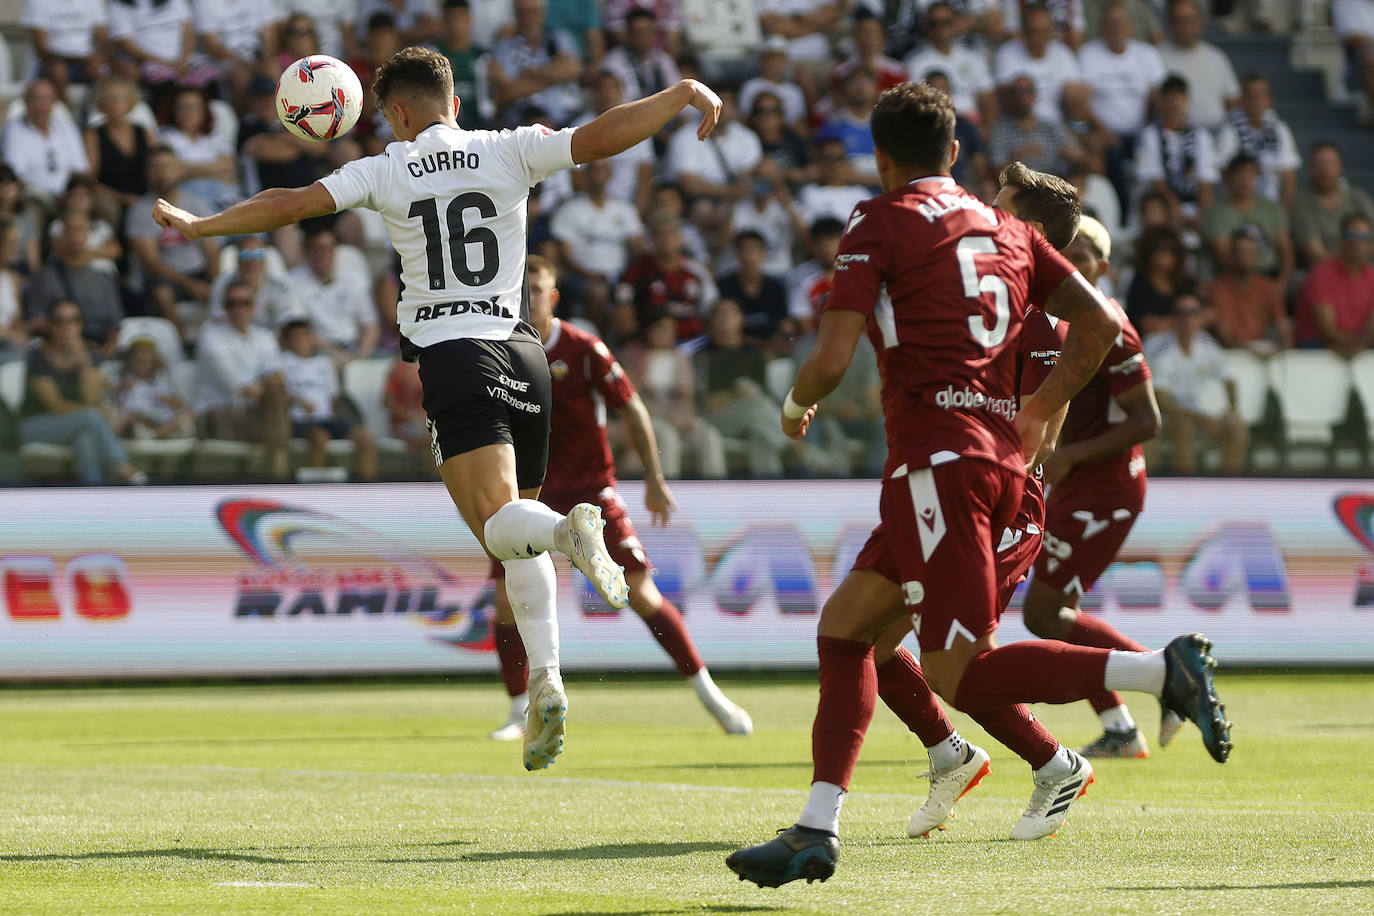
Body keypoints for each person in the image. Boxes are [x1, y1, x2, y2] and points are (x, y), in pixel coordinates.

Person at [152, 45, 724, 772]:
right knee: (515, 535)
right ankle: (547, 679)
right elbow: (601, 134)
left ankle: (569, 533)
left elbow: (290, 205)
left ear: (393, 113)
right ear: (455, 103)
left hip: (455, 356)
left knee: (503, 529)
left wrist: (204, 228)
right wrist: (677, 92)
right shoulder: (509, 149)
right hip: (525, 355)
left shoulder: (384, 168)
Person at [725, 84, 1230, 889]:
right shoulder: (1008, 237)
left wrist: (797, 407)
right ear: (956, 153)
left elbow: (829, 358)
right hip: (976, 469)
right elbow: (1100, 322)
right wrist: (1035, 409)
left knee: (959, 673)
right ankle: (819, 824)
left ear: (881, 157)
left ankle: (1152, 675)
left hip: (944, 468)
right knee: (846, 629)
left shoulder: (882, 220)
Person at [486, 257, 751, 739]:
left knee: (642, 593)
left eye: (539, 289)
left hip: (591, 494)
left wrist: (653, 478)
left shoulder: (585, 350)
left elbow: (633, 409)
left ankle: (711, 696)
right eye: (522, 289)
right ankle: (517, 709)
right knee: (506, 602)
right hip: (529, 493)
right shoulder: (500, 352)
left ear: (554, 296)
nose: (530, 297)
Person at [1020, 216, 1165, 759]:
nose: (1071, 267)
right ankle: (1122, 728)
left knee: (1042, 614)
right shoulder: (1049, 321)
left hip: (1104, 489)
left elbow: (1147, 421)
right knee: (1060, 616)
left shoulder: (1109, 325)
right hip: (1074, 484)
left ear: (1101, 269)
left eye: (1083, 259)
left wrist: (1068, 455)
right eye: (1064, 257)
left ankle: (1168, 673)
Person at [19, 300, 146, 486]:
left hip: (78, 424)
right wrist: (99, 413)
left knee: (85, 437)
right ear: (49, 325)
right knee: (90, 418)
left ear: (80, 325)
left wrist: (85, 365)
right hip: (34, 425)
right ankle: (121, 465)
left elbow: (90, 399)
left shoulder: (89, 354)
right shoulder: (38, 357)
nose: (66, 327)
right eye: (59, 321)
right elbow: (56, 406)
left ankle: (92, 490)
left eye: (72, 321)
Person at [192, 280, 291, 477]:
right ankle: (281, 477)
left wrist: (266, 387)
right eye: (232, 303)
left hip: (255, 414)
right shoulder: (211, 334)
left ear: (254, 307)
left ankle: (278, 467)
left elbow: (279, 377)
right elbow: (238, 387)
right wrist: (267, 386)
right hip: (219, 413)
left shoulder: (264, 335)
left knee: (276, 399)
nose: (239, 309)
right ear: (223, 307)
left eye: (245, 303)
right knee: (279, 416)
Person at [1145, 294, 1248, 474]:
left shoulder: (1207, 343)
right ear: (1173, 318)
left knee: (1237, 427)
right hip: (1162, 415)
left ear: (1201, 317)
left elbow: (1228, 378)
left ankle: (1230, 488)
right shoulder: (1159, 347)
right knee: (1185, 427)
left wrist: (1232, 408)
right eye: (1181, 313)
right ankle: (1186, 491)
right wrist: (1202, 418)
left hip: (1196, 411)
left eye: (1192, 313)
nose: (1187, 319)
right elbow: (1163, 402)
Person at [127, 146, 220, 335]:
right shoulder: (140, 210)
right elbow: (150, 262)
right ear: (148, 173)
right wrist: (189, 284)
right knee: (163, 295)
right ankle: (182, 344)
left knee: (227, 290)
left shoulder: (197, 203)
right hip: (166, 276)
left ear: (178, 169)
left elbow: (212, 250)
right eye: (156, 167)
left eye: (167, 166)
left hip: (199, 270)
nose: (162, 173)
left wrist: (216, 283)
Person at [279, 319, 379, 481]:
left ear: (313, 339)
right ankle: (317, 490)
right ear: (286, 341)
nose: (301, 342)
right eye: (296, 337)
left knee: (364, 437)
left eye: (305, 336)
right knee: (319, 437)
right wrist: (298, 401)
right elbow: (278, 393)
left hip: (326, 418)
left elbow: (334, 396)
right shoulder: (281, 362)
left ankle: (368, 487)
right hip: (299, 420)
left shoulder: (324, 363)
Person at [27, 211, 124, 357]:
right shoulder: (46, 276)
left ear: (88, 234)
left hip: (101, 345)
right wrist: (76, 341)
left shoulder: (103, 275)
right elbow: (37, 320)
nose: (75, 236)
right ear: (60, 236)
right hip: (61, 348)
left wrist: (110, 346)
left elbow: (115, 322)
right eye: (70, 230)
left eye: (80, 229)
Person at [613, 212, 718, 344]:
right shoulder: (636, 270)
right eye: (659, 234)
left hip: (694, 342)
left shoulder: (697, 270)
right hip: (649, 345)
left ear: (680, 237)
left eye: (671, 233)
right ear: (650, 239)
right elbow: (623, 312)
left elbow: (711, 308)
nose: (666, 239)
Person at [1135, 75, 1219, 230]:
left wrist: (1201, 215)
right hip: (1163, 204)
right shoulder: (1150, 135)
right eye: (1170, 98)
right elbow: (1154, 179)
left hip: (1193, 204)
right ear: (1161, 101)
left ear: (1187, 100)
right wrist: (1175, 207)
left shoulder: (1201, 136)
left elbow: (1206, 181)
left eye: (1179, 98)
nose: (1175, 104)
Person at [1203, 153, 1294, 292]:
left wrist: (1282, 283)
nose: (1245, 180)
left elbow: (1286, 250)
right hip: (1234, 279)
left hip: (1270, 275)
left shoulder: (1272, 208)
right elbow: (1223, 254)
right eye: (1239, 174)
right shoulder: (1217, 212)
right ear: (1228, 178)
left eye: (1250, 174)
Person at [288, 227, 380, 363]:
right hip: (318, 352)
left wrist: (361, 355)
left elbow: (370, 325)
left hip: (356, 348)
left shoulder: (354, 277)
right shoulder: (293, 281)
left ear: (335, 249)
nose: (321, 254)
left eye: (326, 248)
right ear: (305, 252)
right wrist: (339, 354)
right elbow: (299, 333)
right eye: (315, 249)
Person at [488, 0, 584, 126]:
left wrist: (531, 73)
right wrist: (556, 75)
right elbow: (508, 92)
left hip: (564, 121)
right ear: (516, 16)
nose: (529, 18)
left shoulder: (559, 39)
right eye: (523, 13)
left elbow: (574, 69)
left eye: (534, 12)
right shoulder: (503, 48)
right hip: (522, 126)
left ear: (543, 13)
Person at [1215, 74, 1300, 210]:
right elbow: (1224, 173)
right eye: (1251, 95)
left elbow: (1289, 176)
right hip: (1238, 204)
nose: (1256, 100)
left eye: (1261, 95)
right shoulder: (1229, 129)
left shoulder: (1280, 128)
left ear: (1269, 100)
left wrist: (1281, 215)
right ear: (1241, 99)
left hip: (1273, 203)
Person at [1294, 213, 1374, 357]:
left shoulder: (1372, 276)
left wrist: (1364, 346)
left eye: (1363, 236)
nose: (1356, 241)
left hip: (1357, 348)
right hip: (1317, 348)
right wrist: (1361, 347)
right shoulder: (1322, 272)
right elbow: (1328, 331)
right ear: (1341, 239)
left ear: (1371, 244)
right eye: (1350, 234)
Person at [904, 1, 996, 124]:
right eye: (934, 23)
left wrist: (986, 129)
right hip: (935, 124)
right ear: (926, 28)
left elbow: (988, 100)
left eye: (946, 22)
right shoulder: (915, 63)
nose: (941, 28)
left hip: (972, 125)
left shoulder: (973, 57)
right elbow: (913, 106)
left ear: (955, 24)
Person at [992, 3, 1084, 125]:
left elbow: (1078, 95)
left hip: (1059, 125)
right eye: (1033, 32)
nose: (1039, 38)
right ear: (1023, 32)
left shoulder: (1062, 52)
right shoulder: (1007, 53)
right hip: (1021, 125)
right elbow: (1005, 97)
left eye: (1044, 31)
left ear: (1052, 31)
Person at [1, 78, 91, 203]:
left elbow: (80, 170)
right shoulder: (14, 130)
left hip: (69, 195)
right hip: (34, 196)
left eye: (47, 98)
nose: (41, 105)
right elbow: (15, 176)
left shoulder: (67, 127)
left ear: (54, 101)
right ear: (26, 101)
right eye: (36, 99)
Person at [1158, 0, 1240, 133]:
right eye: (1178, 20)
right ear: (1170, 23)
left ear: (1200, 21)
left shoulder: (1216, 56)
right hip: (1176, 136)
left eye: (1189, 19)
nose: (1185, 26)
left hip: (1217, 134)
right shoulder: (1157, 56)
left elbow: (1232, 100)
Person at [1290, 142, 1374, 269]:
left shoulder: (1358, 196)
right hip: (1322, 271)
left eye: (1330, 163)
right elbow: (1316, 254)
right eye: (1319, 164)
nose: (1325, 169)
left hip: (1364, 269)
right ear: (1310, 169)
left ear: (1342, 167)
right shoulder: (1301, 202)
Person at [987, 75, 1089, 177]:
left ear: (1035, 96)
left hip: (1054, 183)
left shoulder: (1051, 126)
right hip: (1019, 187)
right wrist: (1016, 158)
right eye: (1015, 92)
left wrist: (1070, 156)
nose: (1022, 96)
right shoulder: (1000, 131)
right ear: (1009, 99)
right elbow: (997, 172)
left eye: (1027, 91)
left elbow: (1081, 156)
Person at [1209, 231, 1293, 354]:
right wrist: (1248, 350)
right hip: (1233, 354)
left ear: (1257, 255)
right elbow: (1224, 334)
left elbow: (1283, 327)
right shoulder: (1220, 287)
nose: (1246, 256)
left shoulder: (1268, 287)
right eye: (1241, 252)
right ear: (1232, 255)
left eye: (1250, 252)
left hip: (1263, 350)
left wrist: (1283, 350)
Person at [84, 76, 153, 218]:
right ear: (101, 103)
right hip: (111, 198)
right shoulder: (93, 135)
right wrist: (124, 198)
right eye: (109, 98)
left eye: (119, 98)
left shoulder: (144, 132)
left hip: (144, 196)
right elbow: (91, 180)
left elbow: (157, 164)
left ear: (130, 102)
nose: (114, 103)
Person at [113, 338, 195, 439]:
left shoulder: (160, 383)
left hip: (160, 419)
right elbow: (117, 400)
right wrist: (121, 387)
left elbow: (183, 406)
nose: (141, 365)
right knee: (130, 417)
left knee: (188, 415)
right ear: (130, 361)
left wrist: (168, 400)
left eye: (146, 361)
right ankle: (157, 435)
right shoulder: (123, 380)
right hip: (137, 418)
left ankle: (155, 435)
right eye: (138, 360)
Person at [601, 7, 682, 105]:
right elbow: (615, 102)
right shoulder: (613, 62)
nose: (643, 37)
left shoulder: (664, 59)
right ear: (628, 34)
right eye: (639, 32)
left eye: (648, 31)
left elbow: (676, 93)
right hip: (628, 115)